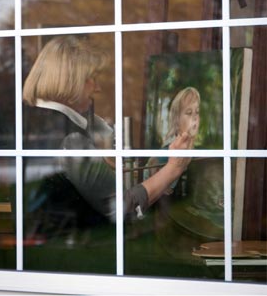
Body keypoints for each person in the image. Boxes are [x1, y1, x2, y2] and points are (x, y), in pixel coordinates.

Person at [23, 35, 194, 223]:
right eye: (92, 78)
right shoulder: (71, 138)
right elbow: (121, 207)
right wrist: (173, 168)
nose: (97, 88)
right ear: (72, 80)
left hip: (36, 245)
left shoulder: (30, 120)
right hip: (70, 246)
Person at [146, 87, 200, 194]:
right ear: (177, 119)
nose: (194, 117)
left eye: (197, 112)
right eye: (189, 113)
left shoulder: (197, 153)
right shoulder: (164, 155)